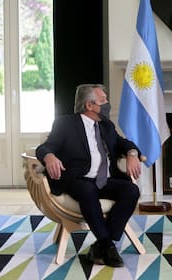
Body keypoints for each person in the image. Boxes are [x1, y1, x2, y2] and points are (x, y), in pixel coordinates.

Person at [36, 84, 142, 267]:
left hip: (106, 180)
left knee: (131, 191)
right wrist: (49, 156)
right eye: (103, 101)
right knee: (87, 190)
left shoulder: (107, 125)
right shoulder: (66, 124)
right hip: (79, 180)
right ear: (89, 105)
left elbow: (123, 143)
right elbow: (46, 147)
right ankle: (108, 245)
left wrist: (132, 153)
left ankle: (101, 245)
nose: (107, 104)